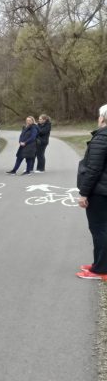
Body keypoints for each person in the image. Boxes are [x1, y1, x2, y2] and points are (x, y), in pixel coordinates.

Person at [76, 105, 107, 279]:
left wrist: (84, 193)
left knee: (99, 229)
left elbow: (93, 169)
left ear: (102, 118)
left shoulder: (102, 137)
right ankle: (100, 263)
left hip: (100, 192)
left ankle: (100, 270)